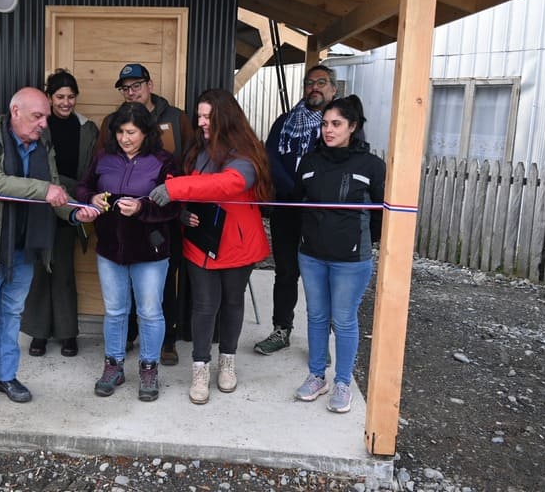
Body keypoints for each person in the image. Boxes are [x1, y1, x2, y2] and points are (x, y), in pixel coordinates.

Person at [0, 87, 98, 413]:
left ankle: (6, 377)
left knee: (11, 316)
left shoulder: (43, 144)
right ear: (16, 112)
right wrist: (44, 190)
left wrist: (76, 212)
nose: (44, 123)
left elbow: (56, 191)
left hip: (24, 248)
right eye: (38, 116)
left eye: (45, 117)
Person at [149, 89, 272, 405]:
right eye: (200, 116)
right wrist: (181, 210)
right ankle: (200, 367)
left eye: (208, 117)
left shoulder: (246, 153)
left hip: (237, 244)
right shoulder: (197, 150)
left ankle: (227, 360)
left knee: (232, 302)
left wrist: (175, 189)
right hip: (201, 242)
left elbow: (228, 184)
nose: (201, 122)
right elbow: (193, 190)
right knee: (204, 306)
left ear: (225, 118)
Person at [77, 102, 180, 401]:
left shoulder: (164, 161)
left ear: (146, 132)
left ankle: (149, 368)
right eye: (120, 132)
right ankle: (114, 366)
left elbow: (174, 205)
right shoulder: (104, 157)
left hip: (150, 250)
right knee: (114, 311)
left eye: (131, 132)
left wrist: (141, 208)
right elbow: (83, 188)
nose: (125, 138)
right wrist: (91, 198)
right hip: (110, 249)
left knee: (149, 312)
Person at [292, 95, 385, 413]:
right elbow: (297, 202)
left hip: (351, 260)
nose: (328, 130)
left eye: (336, 124)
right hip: (311, 255)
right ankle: (317, 376)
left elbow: (380, 216)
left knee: (343, 320)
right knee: (317, 316)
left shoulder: (371, 166)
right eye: (325, 124)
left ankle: (343, 382)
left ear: (352, 126)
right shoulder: (309, 162)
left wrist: (361, 241)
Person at [102, 63, 195, 365]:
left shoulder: (176, 118)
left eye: (136, 86)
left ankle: (167, 342)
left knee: (162, 282)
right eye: (125, 88)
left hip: (164, 216)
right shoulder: (112, 122)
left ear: (149, 85)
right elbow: (101, 163)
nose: (131, 92)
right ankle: (128, 335)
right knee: (123, 280)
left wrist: (181, 206)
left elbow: (190, 162)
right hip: (122, 219)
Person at [254, 64, 338, 356]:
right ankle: (281, 329)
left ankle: (320, 340)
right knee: (286, 272)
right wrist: (294, 190)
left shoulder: (337, 123)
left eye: (321, 82)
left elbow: (341, 163)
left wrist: (313, 192)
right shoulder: (285, 122)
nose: (314, 87)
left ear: (334, 89)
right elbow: (270, 157)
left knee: (321, 275)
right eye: (309, 82)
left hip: (322, 211)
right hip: (288, 206)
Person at [21, 69, 99, 358]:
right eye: (60, 97)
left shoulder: (87, 128)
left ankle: (67, 333)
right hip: (41, 204)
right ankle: (38, 333)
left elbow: (91, 169)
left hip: (72, 205)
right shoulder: (39, 126)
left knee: (64, 270)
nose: (66, 102)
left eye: (71, 96)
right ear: (50, 98)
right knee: (40, 269)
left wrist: (77, 196)